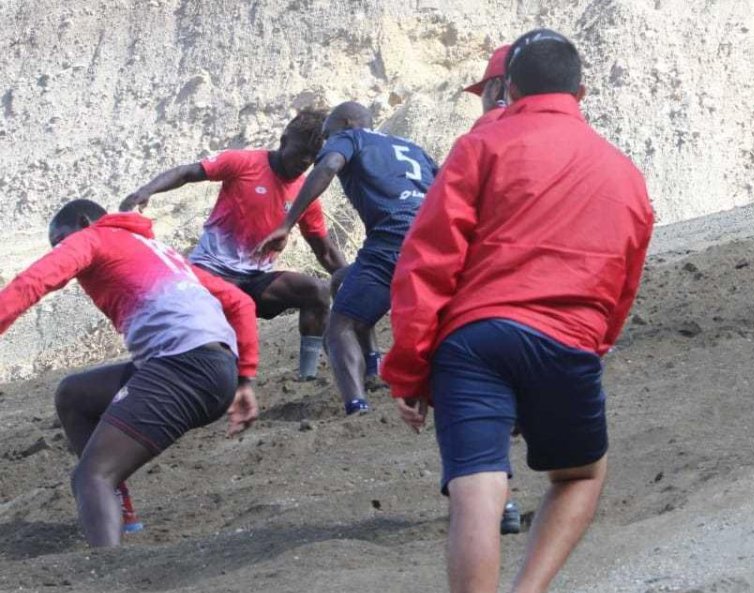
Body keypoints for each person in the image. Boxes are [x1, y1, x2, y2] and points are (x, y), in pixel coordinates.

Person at [381, 29, 655, 593]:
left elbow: (428, 258)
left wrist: (409, 368)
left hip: (474, 339)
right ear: (580, 92)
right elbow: (625, 277)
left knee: (477, 492)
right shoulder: (622, 169)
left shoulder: (482, 143)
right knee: (582, 473)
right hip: (569, 339)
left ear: (512, 88)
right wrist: (593, 344)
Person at [0, 201, 260, 548]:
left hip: (182, 368)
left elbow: (32, 282)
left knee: (92, 476)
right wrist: (244, 380)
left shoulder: (94, 237)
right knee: (73, 395)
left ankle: (109, 572)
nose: (62, 250)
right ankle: (122, 513)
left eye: (61, 241)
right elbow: (240, 303)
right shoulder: (159, 251)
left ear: (84, 221)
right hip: (215, 369)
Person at [119, 109, 345, 379]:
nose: (304, 161)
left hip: (255, 280)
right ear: (284, 141)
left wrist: (352, 279)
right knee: (202, 332)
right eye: (299, 152)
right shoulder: (244, 162)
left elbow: (325, 250)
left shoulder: (306, 193)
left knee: (317, 291)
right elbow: (188, 172)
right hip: (211, 274)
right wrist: (146, 191)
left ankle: (306, 377)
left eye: (311, 157)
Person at [257, 102, 437, 416]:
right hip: (435, 238)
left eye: (327, 135)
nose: (326, 143)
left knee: (339, 327)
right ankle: (374, 370)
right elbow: (448, 184)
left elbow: (326, 168)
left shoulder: (351, 136)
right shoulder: (412, 147)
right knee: (342, 281)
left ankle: (356, 407)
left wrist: (286, 223)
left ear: (348, 122)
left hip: (392, 239)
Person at [465, 43, 525, 538]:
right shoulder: (567, 133)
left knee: (482, 401)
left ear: (500, 87)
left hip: (491, 287)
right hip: (553, 291)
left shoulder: (484, 133)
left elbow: (447, 218)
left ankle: (499, 502)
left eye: (485, 90)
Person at [464, 44, 512, 129]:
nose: (482, 98)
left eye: (483, 91)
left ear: (496, 88)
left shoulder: (486, 130)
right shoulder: (538, 125)